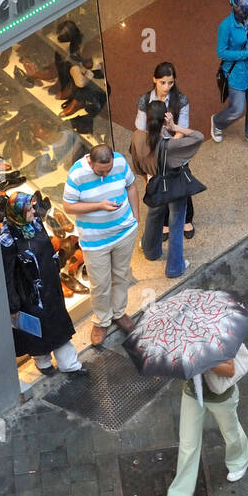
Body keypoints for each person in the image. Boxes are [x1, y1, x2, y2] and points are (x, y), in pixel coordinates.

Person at [0, 189, 87, 377]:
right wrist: (13, 303)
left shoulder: (36, 224)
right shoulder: (7, 241)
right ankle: (42, 361)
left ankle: (70, 364)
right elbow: (7, 275)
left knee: (58, 325)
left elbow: (47, 246)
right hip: (29, 294)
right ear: (18, 214)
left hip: (50, 285)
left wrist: (55, 263)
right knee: (36, 331)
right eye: (29, 210)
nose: (34, 212)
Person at [62, 142, 139, 347]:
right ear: (91, 161)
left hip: (124, 232)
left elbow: (131, 186)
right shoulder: (77, 173)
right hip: (95, 241)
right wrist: (99, 206)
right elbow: (68, 206)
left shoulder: (120, 163)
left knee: (122, 275)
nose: (105, 174)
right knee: (100, 284)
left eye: (108, 170)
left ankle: (119, 312)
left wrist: (136, 218)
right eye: (100, 171)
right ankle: (102, 320)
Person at [159, 357, 248, 496]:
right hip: (192, 393)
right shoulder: (181, 336)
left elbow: (229, 370)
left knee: (231, 432)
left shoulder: (217, 334)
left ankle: (240, 461)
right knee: (187, 444)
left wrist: (200, 361)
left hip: (221, 395)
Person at [131, 101, 204, 279]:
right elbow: (198, 136)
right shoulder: (171, 145)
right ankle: (175, 267)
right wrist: (175, 127)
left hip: (153, 183)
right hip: (174, 187)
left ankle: (150, 251)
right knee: (176, 223)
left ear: (146, 118)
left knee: (154, 215)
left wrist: (146, 181)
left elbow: (137, 164)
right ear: (165, 117)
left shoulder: (137, 137)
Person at [136, 62, 195, 240]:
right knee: (157, 186)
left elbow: (182, 130)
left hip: (174, 148)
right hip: (153, 148)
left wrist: (168, 148)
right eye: (162, 82)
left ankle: (186, 218)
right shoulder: (145, 100)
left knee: (182, 184)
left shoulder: (181, 100)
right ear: (154, 79)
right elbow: (141, 128)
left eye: (170, 83)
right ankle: (164, 221)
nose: (167, 87)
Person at [211, 0, 248, 149]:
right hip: (236, 73)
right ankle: (217, 122)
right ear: (242, 12)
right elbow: (221, 53)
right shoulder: (225, 27)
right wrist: (246, 54)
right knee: (237, 109)